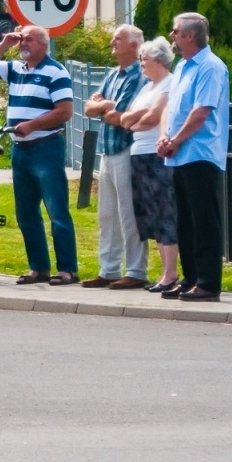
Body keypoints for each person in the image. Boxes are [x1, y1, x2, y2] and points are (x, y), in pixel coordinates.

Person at [0, 25, 78, 284]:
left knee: (56, 210)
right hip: (20, 151)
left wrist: (31, 126)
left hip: (46, 147)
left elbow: (64, 111)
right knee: (26, 213)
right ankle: (39, 268)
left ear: (44, 44)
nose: (24, 44)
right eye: (22, 40)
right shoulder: (17, 69)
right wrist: (4, 44)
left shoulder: (55, 72)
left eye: (29, 40)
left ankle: (67, 269)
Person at [157, 12, 230, 301]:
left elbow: (201, 112)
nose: (172, 36)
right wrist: (165, 137)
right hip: (178, 154)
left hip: (200, 154)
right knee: (184, 221)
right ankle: (190, 278)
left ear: (189, 35)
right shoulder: (183, 65)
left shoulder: (210, 67)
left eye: (175, 32)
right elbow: (169, 107)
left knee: (204, 221)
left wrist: (175, 140)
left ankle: (208, 283)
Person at [82, 24, 147, 289]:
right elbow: (89, 108)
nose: (112, 41)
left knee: (128, 213)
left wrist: (104, 107)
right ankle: (108, 269)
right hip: (107, 150)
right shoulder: (112, 74)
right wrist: (102, 106)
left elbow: (120, 115)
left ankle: (135, 270)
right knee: (106, 213)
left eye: (118, 39)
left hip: (126, 150)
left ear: (134, 45)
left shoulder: (139, 76)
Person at [117, 37, 179, 292]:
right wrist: (135, 119)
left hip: (157, 155)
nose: (141, 64)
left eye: (144, 59)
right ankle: (164, 273)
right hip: (138, 153)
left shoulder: (168, 84)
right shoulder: (147, 87)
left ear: (159, 60)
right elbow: (125, 119)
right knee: (149, 216)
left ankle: (170, 274)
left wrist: (137, 120)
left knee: (164, 214)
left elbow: (154, 118)